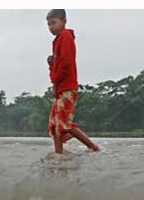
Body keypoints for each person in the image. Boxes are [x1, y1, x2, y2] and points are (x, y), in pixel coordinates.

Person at [46, 9, 100, 154]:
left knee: (62, 124)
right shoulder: (57, 40)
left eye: (54, 23)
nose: (51, 27)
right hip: (60, 87)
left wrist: (55, 80)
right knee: (55, 125)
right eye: (49, 24)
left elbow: (66, 63)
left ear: (64, 21)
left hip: (67, 87)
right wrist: (51, 64)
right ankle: (59, 156)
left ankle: (94, 148)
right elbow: (58, 64)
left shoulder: (65, 36)